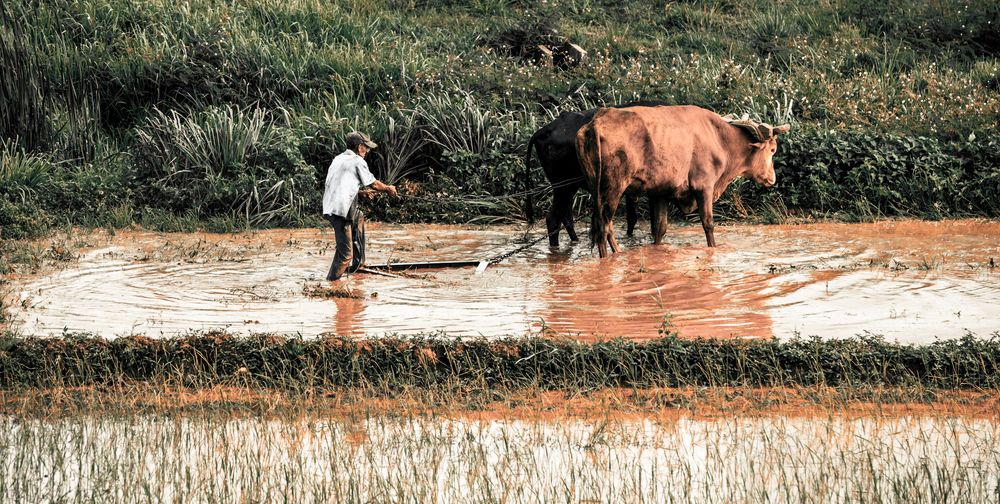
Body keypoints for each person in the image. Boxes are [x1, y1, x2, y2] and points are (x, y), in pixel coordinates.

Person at [322, 131, 397, 281]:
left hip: (332, 206)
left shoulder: (339, 158)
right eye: (366, 147)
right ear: (359, 147)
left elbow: (341, 185)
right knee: (345, 254)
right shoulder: (357, 160)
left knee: (359, 217)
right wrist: (388, 188)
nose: (367, 151)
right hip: (340, 211)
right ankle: (331, 283)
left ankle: (359, 264)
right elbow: (375, 184)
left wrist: (361, 193)